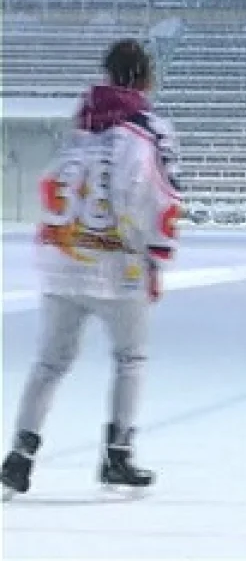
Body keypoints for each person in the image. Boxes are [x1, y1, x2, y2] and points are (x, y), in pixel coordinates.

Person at [1, 39, 183, 498]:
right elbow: (154, 194)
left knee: (50, 362)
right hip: (117, 265)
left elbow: (53, 182)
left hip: (64, 260)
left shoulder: (83, 123)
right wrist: (156, 254)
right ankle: (117, 454)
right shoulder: (149, 129)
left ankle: (20, 455)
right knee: (130, 358)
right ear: (144, 76)